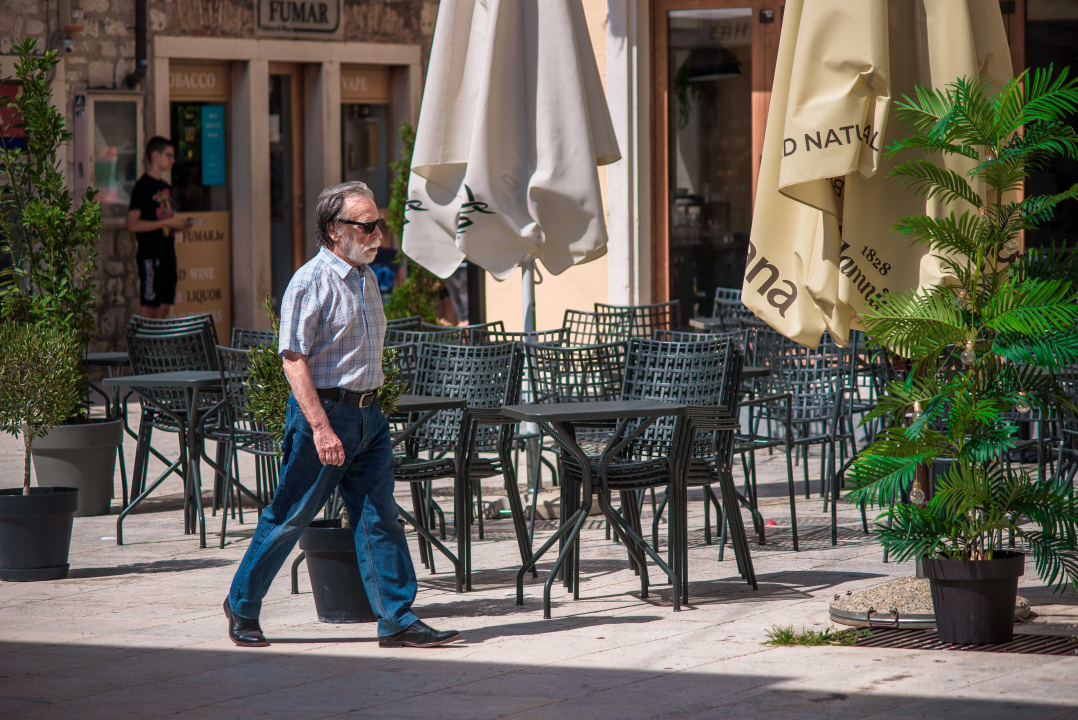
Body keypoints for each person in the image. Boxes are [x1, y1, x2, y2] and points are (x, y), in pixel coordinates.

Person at [223, 181, 460, 649]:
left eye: (379, 223)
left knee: (380, 518)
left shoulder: (367, 276)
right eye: (366, 225)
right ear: (334, 230)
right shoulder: (310, 282)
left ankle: (396, 618)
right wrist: (320, 427)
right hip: (327, 416)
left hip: (369, 416)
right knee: (290, 516)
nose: (377, 234)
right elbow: (293, 360)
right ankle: (242, 605)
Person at [126, 136, 191, 319]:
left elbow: (164, 220)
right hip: (150, 255)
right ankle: (140, 347)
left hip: (168, 253)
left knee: (164, 306)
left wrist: (178, 225)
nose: (172, 160)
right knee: (149, 307)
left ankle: (156, 347)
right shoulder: (143, 186)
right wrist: (166, 223)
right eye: (169, 155)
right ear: (156, 155)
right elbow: (132, 224)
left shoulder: (164, 186)